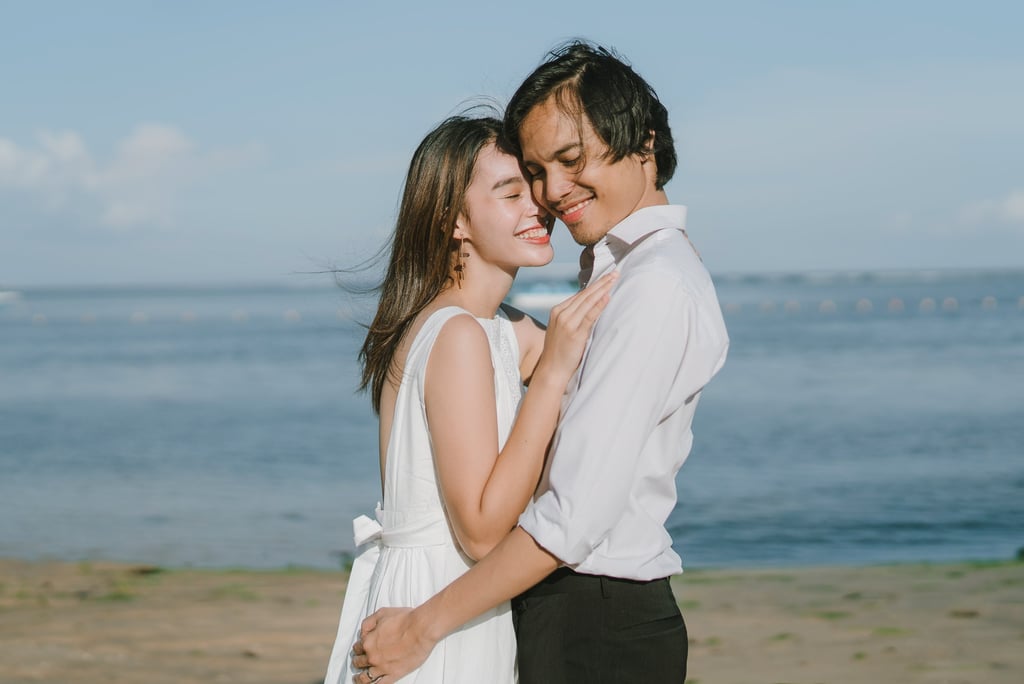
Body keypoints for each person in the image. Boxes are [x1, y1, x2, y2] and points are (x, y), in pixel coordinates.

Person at [352, 42, 729, 683]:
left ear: (645, 143)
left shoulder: (651, 284)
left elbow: (570, 516)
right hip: (535, 606)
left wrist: (423, 624)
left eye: (572, 160)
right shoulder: (595, 288)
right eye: (532, 174)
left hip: (593, 616)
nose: (550, 195)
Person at [322, 114, 617, 684]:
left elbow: (598, 344)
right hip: (435, 607)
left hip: (446, 600)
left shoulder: (495, 329)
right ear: (455, 220)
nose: (539, 207)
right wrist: (551, 376)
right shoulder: (457, 334)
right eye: (511, 193)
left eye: (533, 187)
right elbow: (481, 534)